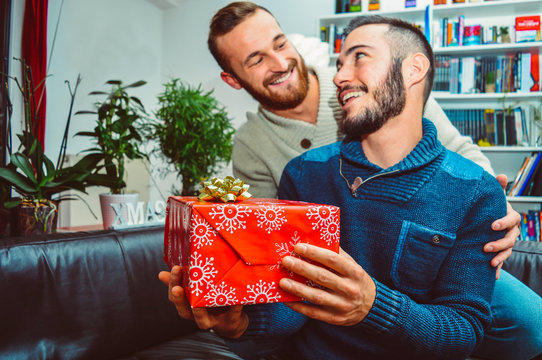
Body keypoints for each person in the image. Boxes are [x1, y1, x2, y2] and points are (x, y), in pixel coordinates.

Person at [159, 3, 542, 359]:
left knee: (531, 323)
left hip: (427, 248)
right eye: (256, 60)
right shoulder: (270, 154)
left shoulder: (380, 81)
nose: (280, 62)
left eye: (280, 44)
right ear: (233, 79)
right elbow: (269, 256)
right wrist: (238, 315)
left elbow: (457, 149)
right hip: (322, 262)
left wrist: (496, 206)